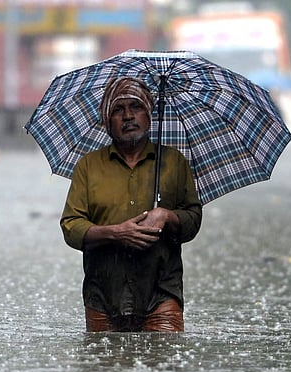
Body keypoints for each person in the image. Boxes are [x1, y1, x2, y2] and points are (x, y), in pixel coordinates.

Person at [60, 77, 203, 332]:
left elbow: (193, 220)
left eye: (136, 107)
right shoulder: (89, 166)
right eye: (118, 109)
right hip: (103, 294)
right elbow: (71, 227)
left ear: (149, 116)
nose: (128, 116)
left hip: (161, 292)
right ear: (107, 122)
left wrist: (166, 216)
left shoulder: (173, 163)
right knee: (103, 367)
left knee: (164, 364)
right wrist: (116, 233)